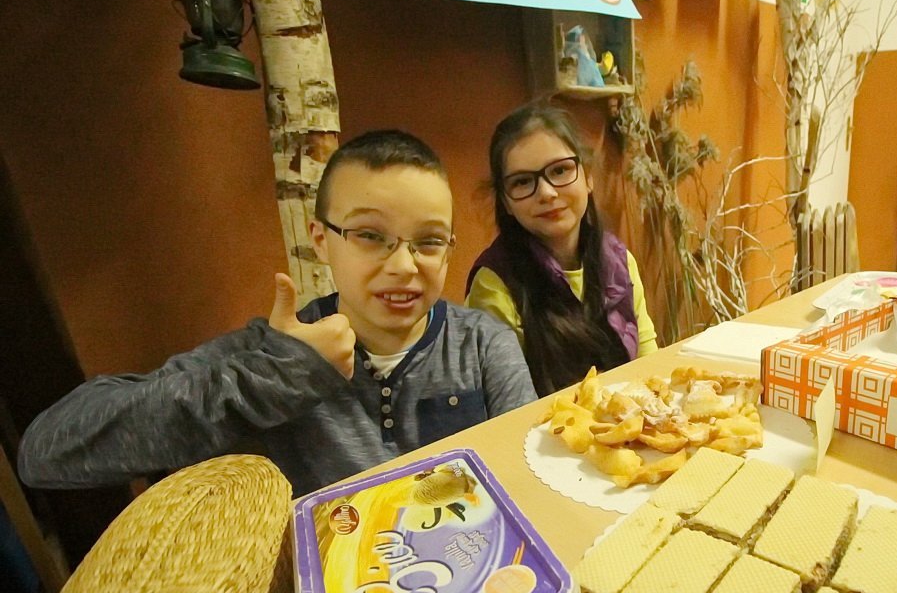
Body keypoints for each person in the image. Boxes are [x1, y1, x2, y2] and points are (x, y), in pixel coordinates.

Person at [18, 130, 537, 496]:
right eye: (370, 236)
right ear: (321, 240)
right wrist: (276, 378)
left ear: (449, 250)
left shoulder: (482, 344)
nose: (403, 266)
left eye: (427, 242)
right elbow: (47, 451)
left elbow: (528, 474)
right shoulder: (272, 357)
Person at [467, 103, 658, 396]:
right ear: (505, 202)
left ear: (588, 176)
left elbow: (649, 369)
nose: (546, 192)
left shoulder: (618, 261)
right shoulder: (495, 285)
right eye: (522, 181)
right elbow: (506, 406)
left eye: (560, 170)